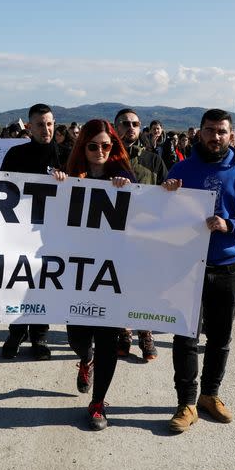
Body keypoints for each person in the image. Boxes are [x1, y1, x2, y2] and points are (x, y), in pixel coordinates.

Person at [163, 108, 235, 433]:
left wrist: (232, 224)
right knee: (185, 338)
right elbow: (159, 217)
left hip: (226, 268)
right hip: (187, 268)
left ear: (231, 136)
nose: (215, 137)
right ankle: (187, 402)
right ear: (199, 133)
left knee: (220, 338)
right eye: (210, 130)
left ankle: (210, 395)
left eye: (222, 131)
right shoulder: (181, 168)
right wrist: (166, 194)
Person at [58, 118, 136, 430]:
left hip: (112, 274)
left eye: (107, 145)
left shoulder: (128, 179)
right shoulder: (67, 178)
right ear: (83, 147)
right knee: (78, 337)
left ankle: (98, 402)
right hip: (77, 275)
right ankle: (84, 358)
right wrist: (56, 184)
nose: (100, 151)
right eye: (93, 146)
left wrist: (133, 192)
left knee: (108, 341)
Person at [0, 103, 63, 361]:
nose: (46, 129)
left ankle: (40, 336)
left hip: (53, 235)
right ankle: (16, 331)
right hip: (20, 232)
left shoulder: (67, 155)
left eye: (49, 123)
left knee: (44, 283)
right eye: (40, 124)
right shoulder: (16, 154)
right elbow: (1, 189)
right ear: (29, 127)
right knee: (19, 281)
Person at [113, 108, 167, 360]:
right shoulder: (105, 158)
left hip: (145, 236)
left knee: (144, 284)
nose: (130, 127)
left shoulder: (153, 160)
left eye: (135, 123)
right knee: (117, 285)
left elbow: (169, 198)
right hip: (112, 236)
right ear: (115, 127)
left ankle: (145, 332)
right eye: (125, 123)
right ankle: (124, 331)